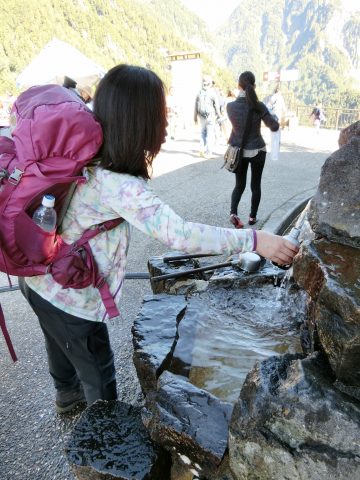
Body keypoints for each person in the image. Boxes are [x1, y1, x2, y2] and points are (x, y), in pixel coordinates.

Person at [20, 65, 298, 414]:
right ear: (140, 121)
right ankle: (105, 436)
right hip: (69, 296)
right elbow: (179, 235)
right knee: (98, 368)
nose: (165, 125)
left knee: (58, 340)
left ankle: (66, 396)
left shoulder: (82, 155)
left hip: (37, 277)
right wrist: (256, 240)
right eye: (160, 114)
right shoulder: (117, 183)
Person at [227, 71, 280, 228]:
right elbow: (274, 126)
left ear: (238, 86)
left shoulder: (230, 107)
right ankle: (252, 217)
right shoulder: (259, 106)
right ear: (254, 86)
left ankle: (233, 213)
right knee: (255, 186)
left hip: (239, 152)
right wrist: (273, 117)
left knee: (239, 185)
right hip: (258, 150)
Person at [194, 75, 221, 159]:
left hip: (201, 116)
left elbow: (195, 105)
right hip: (210, 116)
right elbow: (216, 106)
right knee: (210, 134)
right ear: (210, 83)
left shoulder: (199, 92)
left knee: (202, 132)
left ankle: (201, 150)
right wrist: (219, 115)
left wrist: (194, 117)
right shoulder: (212, 92)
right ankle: (209, 152)